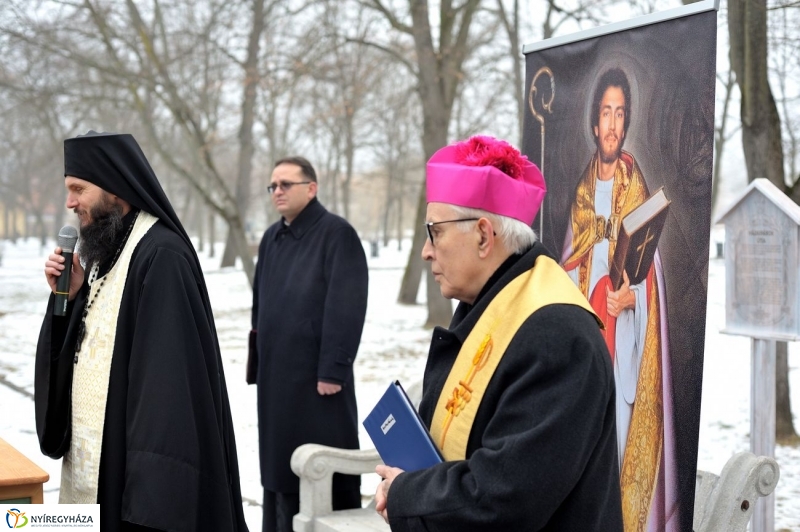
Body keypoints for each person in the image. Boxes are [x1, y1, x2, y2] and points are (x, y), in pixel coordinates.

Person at [374, 135, 623, 530]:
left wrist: (408, 494)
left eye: (435, 232)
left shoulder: (558, 336)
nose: (426, 251)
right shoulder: (487, 303)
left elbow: (508, 495)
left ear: (483, 235)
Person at [35, 131, 248, 531]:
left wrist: (150, 505)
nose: (69, 203)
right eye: (68, 190)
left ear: (114, 186)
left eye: (79, 189)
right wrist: (72, 299)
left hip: (130, 484)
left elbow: (167, 394)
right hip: (93, 470)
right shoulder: (106, 251)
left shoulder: (161, 256)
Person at [559, 68, 677, 531]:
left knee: (619, 447)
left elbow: (652, 276)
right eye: (606, 113)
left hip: (623, 345)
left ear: (626, 124)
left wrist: (633, 300)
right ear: (594, 122)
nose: (612, 125)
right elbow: (568, 264)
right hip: (587, 343)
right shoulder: (582, 194)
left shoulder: (637, 189)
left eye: (620, 114)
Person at [251, 156, 368, 532]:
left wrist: (333, 370)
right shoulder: (272, 237)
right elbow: (260, 306)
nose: (277, 191)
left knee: (320, 471)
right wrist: (257, 365)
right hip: (275, 379)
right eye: (273, 186)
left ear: (311, 188)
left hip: (318, 384)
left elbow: (347, 306)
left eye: (286, 184)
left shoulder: (337, 234)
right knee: (278, 473)